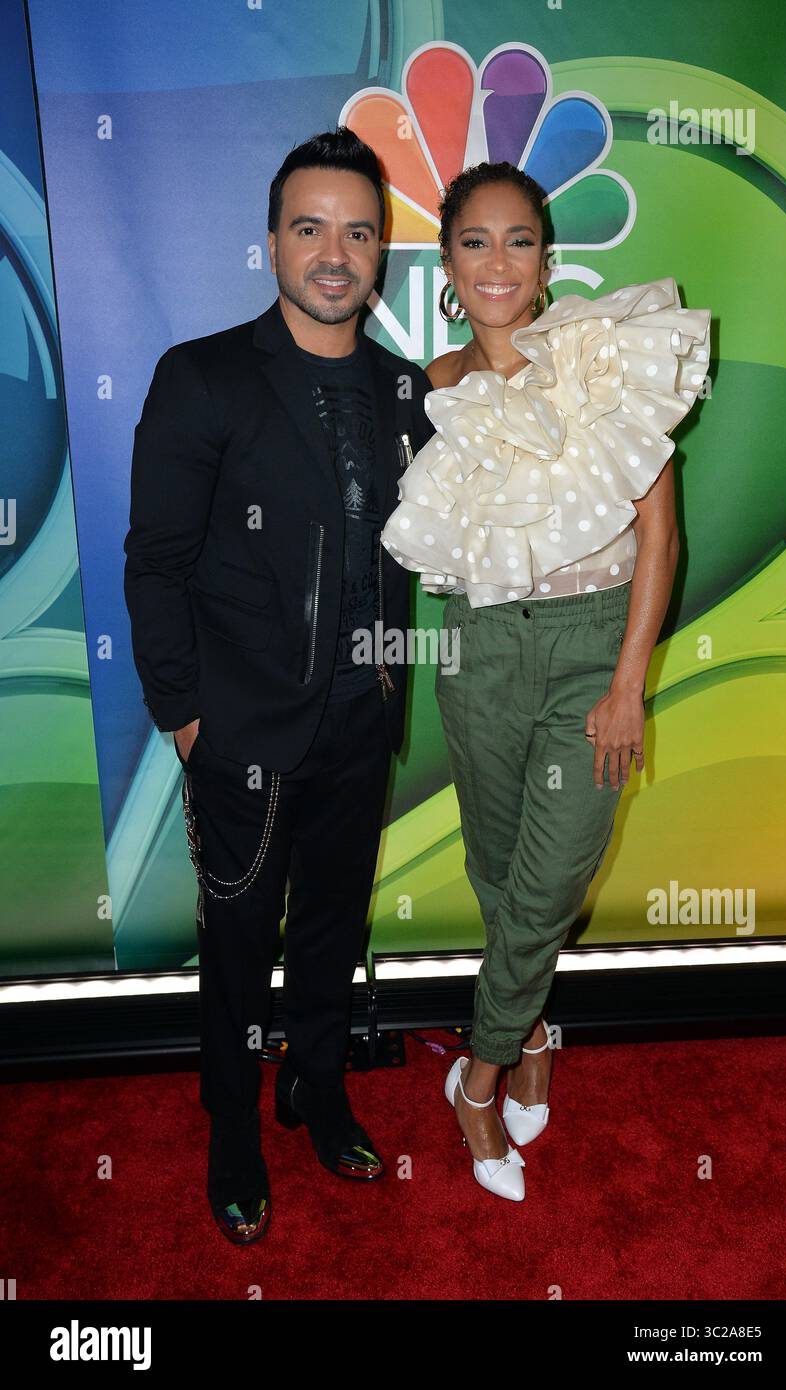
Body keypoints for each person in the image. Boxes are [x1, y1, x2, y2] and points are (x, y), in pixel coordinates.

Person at [123, 127, 435, 1243]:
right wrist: (184, 716)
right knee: (237, 944)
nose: (334, 254)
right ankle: (232, 1129)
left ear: (381, 250)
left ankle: (316, 1086)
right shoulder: (202, 375)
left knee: (333, 925)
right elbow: (155, 562)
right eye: (311, 229)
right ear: (272, 244)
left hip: (362, 719)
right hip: (241, 730)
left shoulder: (404, 388)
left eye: (357, 232)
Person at [381, 161, 710, 1202]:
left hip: (591, 652)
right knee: (498, 874)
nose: (497, 263)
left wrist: (627, 685)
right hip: (478, 653)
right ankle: (529, 1037)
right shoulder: (428, 387)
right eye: (473, 242)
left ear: (546, 257)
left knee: (553, 878)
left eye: (517, 240)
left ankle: (476, 1081)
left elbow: (660, 537)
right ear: (446, 264)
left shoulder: (601, 357)